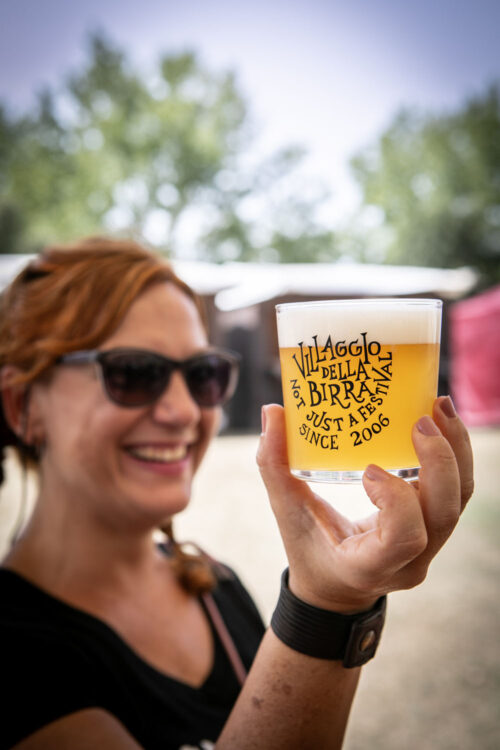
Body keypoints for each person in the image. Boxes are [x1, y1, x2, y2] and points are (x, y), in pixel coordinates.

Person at [0, 237, 474, 750]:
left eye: (202, 375)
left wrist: (337, 598)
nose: (186, 411)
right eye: (134, 373)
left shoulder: (214, 585)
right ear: (23, 404)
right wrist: (325, 608)